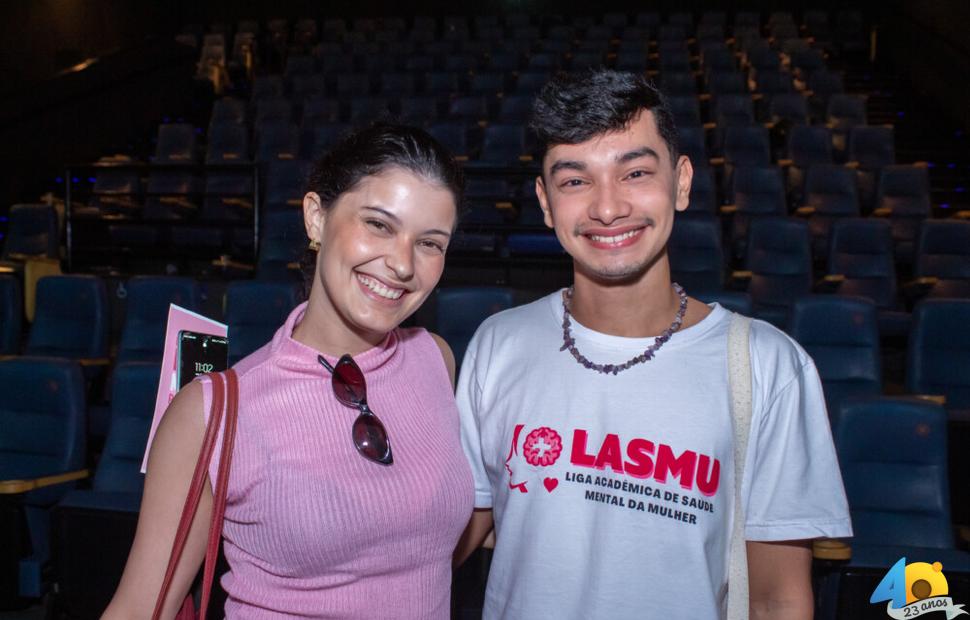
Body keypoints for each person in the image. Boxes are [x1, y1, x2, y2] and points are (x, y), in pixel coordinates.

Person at [454, 70, 851, 619]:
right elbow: (447, 540)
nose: (608, 208)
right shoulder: (499, 343)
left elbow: (777, 598)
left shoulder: (768, 366)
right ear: (545, 202)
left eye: (635, 172)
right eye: (575, 181)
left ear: (681, 182)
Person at [104, 123, 474, 619]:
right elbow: (139, 610)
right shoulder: (210, 413)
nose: (403, 264)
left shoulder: (436, 359)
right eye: (379, 225)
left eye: (430, 243)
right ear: (316, 218)